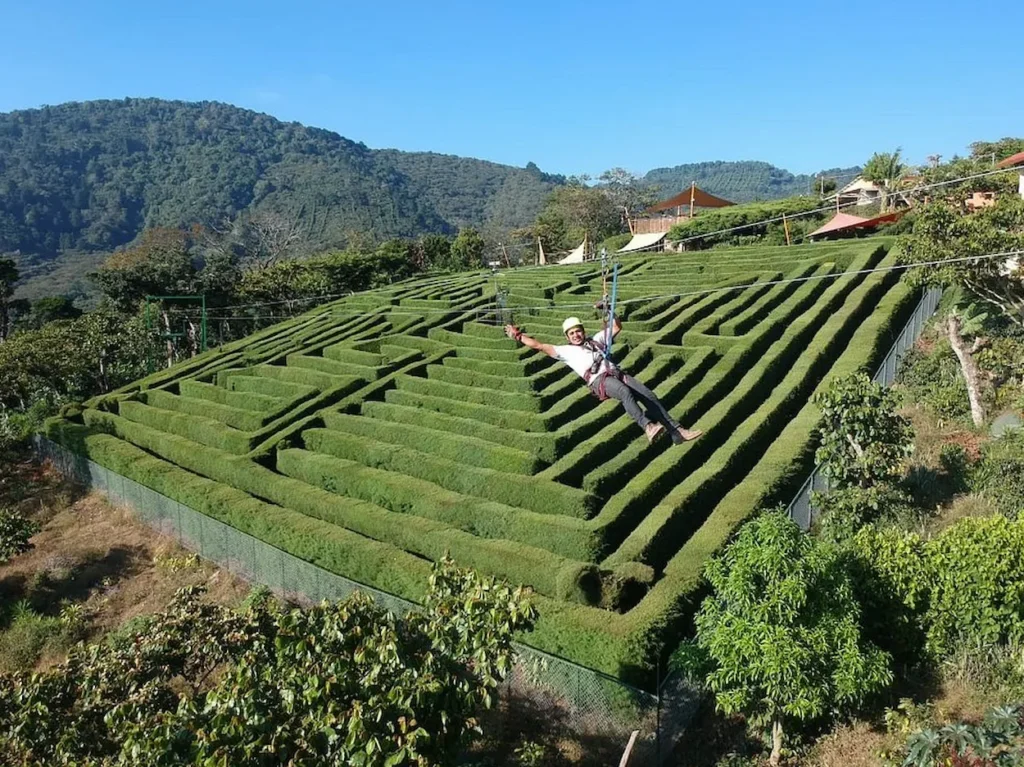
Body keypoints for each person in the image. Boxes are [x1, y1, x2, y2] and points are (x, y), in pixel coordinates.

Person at [503, 312, 703, 445]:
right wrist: (518, 336)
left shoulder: (596, 340)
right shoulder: (564, 351)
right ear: (567, 336)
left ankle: (677, 432)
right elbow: (538, 346)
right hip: (599, 381)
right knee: (625, 392)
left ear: (583, 330)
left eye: (578, 331)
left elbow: (616, 327)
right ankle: (648, 426)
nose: (575, 335)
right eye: (571, 333)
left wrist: (610, 312)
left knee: (648, 395)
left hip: (617, 373)